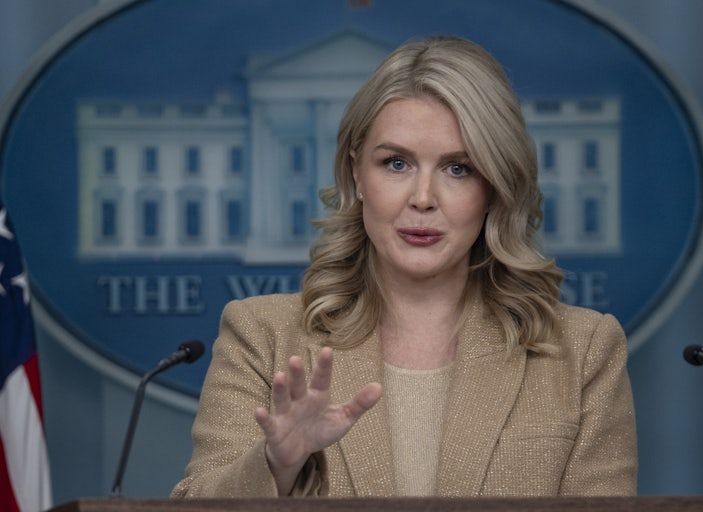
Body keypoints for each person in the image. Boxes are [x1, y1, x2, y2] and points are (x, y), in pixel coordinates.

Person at [171, 35, 637, 498]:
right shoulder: (262, 336)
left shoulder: (583, 352)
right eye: (396, 163)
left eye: (459, 168)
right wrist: (277, 466)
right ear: (356, 174)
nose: (422, 198)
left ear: (495, 186)